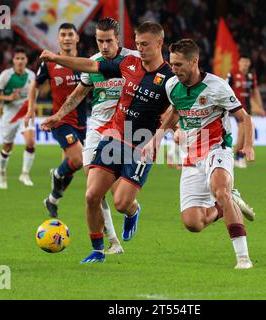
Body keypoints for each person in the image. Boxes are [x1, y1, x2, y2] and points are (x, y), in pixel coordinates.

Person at [40, 21, 174, 264]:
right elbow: (88, 70)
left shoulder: (168, 77)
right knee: (92, 194)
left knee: (121, 201)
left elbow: (177, 110)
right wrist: (55, 59)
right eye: (139, 44)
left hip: (140, 142)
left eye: (145, 44)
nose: (141, 49)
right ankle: (101, 248)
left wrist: (167, 139)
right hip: (109, 133)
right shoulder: (126, 64)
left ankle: (131, 210)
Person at [142, 39, 255, 269]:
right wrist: (156, 139)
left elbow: (244, 118)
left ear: (194, 61)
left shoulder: (218, 86)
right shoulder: (172, 85)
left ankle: (243, 258)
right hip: (192, 155)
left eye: (179, 65)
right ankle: (227, 205)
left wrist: (248, 146)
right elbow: (175, 111)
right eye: (172, 64)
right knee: (193, 223)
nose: (174, 69)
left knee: (220, 190)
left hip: (217, 148)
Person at [40, 18, 138, 255]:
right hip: (97, 128)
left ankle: (132, 211)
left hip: (123, 130)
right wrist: (59, 115)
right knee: (93, 189)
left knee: (120, 197)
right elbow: (78, 94)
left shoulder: (134, 61)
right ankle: (112, 242)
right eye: (100, 41)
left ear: (118, 39)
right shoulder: (93, 63)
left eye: (109, 41)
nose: (104, 46)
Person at [24, 23, 87, 217]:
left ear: (77, 38)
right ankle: (56, 174)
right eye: (63, 35)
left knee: (72, 167)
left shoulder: (86, 63)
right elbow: (36, 84)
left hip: (83, 122)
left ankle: (52, 200)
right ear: (58, 39)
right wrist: (30, 109)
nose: (67, 38)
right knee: (79, 160)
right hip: (60, 121)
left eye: (70, 34)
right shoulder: (49, 63)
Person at [0, 47, 36, 189]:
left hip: (25, 112)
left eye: (23, 58)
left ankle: (25, 173)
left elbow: (34, 93)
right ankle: (2, 172)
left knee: (30, 142)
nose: (20, 61)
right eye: (17, 58)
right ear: (13, 60)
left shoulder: (31, 75)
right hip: (10, 114)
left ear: (26, 60)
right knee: (7, 146)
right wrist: (8, 97)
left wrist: (31, 108)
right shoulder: (6, 75)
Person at [227, 53, 266, 168]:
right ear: (239, 63)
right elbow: (225, 88)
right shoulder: (232, 74)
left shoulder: (251, 75)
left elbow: (255, 91)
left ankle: (237, 156)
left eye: (247, 62)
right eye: (243, 61)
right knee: (243, 130)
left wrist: (260, 107)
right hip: (235, 108)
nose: (245, 64)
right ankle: (237, 156)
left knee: (245, 131)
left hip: (247, 108)